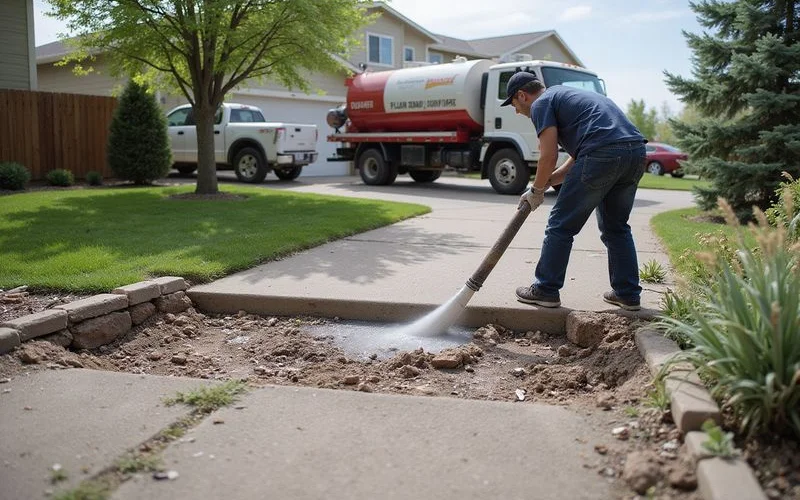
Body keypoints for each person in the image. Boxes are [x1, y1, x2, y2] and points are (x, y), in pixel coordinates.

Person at [501, 71, 646, 311]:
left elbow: (549, 154)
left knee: (560, 225)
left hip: (603, 154)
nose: (517, 110)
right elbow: (582, 152)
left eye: (514, 105)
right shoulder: (570, 96)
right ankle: (627, 293)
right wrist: (550, 180)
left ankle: (546, 289)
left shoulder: (541, 104)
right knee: (616, 227)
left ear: (522, 95)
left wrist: (537, 190)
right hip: (635, 153)